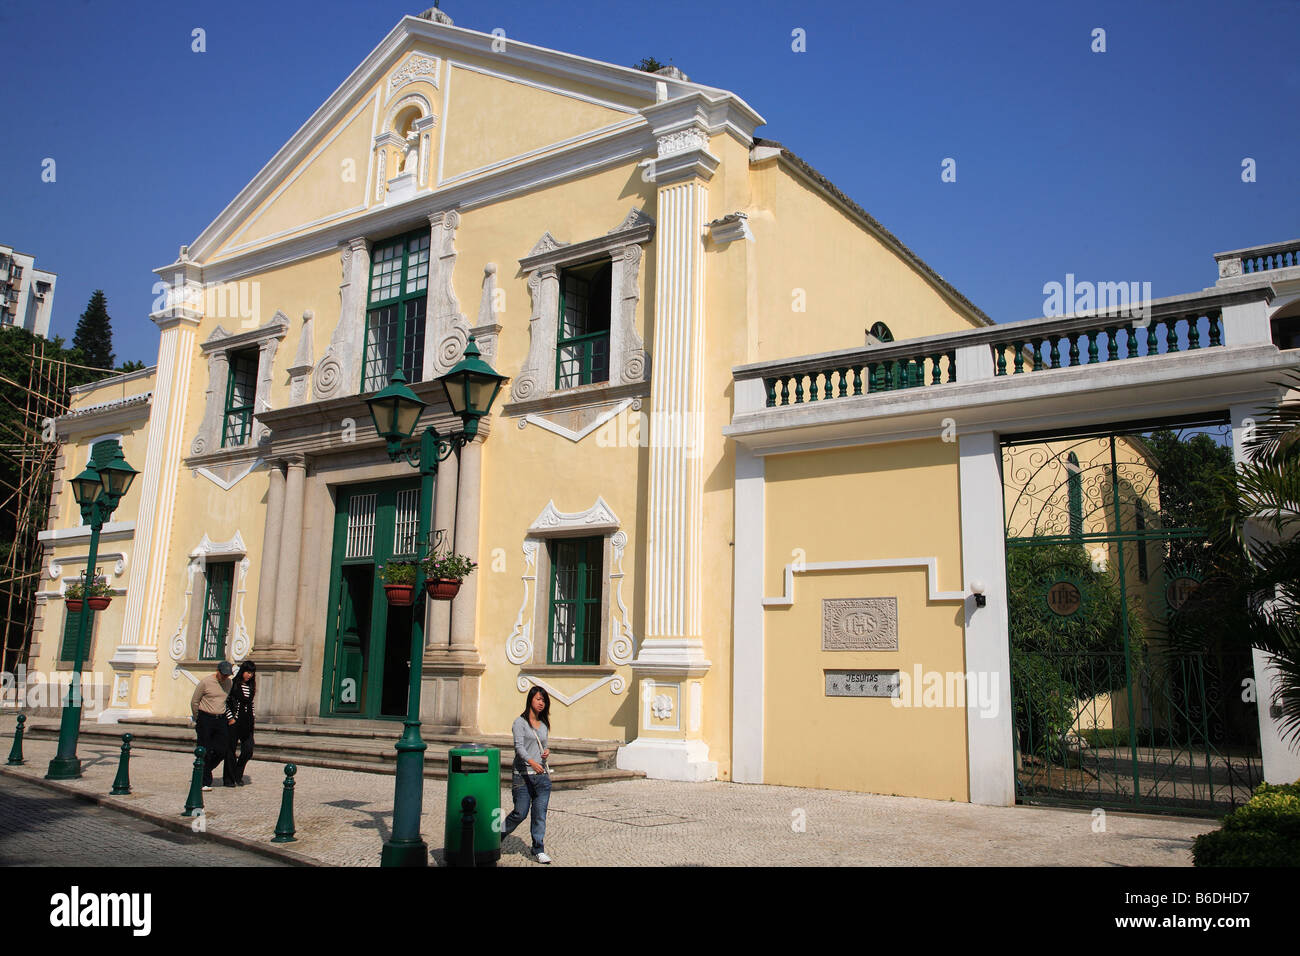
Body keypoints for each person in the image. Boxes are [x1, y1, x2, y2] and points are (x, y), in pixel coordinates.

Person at [500, 685, 552, 863]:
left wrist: (546, 752)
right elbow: (519, 747)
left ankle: (538, 848)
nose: (541, 703)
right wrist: (532, 762)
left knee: (539, 814)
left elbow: (543, 745)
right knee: (519, 813)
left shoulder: (544, 724)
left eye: (544, 700)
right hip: (523, 777)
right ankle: (495, 836)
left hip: (542, 777)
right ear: (530, 699)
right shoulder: (519, 723)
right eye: (538, 699)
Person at [190, 661, 232, 790]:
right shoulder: (205, 682)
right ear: (217, 671)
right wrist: (199, 718)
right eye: (223, 674)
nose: (225, 677)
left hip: (221, 719)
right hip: (206, 717)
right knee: (205, 749)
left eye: (227, 675)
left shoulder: (229, 683)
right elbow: (194, 701)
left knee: (222, 750)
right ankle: (204, 781)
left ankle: (204, 770)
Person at [223, 661, 256, 787]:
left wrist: (253, 717)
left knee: (248, 749)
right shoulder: (233, 684)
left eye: (252, 673)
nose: (249, 675)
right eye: (247, 672)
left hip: (247, 722)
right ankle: (229, 778)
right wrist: (231, 718)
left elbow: (250, 703)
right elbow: (225, 702)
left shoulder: (251, 686)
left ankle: (238, 773)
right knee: (230, 750)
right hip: (235, 722)